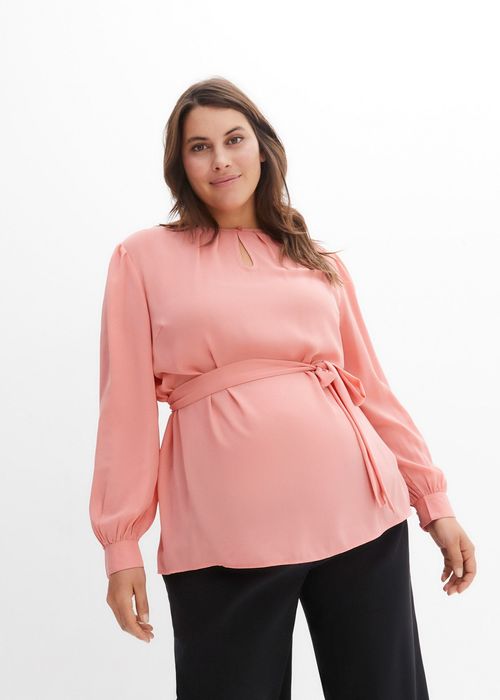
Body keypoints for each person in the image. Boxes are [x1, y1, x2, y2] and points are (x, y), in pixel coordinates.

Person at [89, 77, 476, 699]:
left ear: (262, 149)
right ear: (180, 164)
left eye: (234, 139)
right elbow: (125, 411)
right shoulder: (143, 258)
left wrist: (435, 503)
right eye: (199, 147)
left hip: (361, 517)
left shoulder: (317, 261)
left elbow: (372, 391)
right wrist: (121, 544)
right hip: (223, 536)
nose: (220, 159)